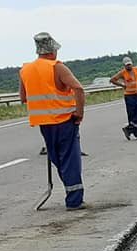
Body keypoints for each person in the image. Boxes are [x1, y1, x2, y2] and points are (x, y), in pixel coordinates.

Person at [19, 32, 86, 210]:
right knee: (70, 159)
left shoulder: (25, 70)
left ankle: (72, 193)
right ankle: (74, 200)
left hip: (44, 124)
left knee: (59, 159)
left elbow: (23, 98)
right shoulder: (57, 67)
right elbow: (78, 89)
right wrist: (79, 113)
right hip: (65, 121)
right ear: (52, 51)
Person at [110, 57, 137, 140]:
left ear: (132, 64)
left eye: (129, 64)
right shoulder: (122, 73)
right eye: (127, 65)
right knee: (132, 115)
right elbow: (112, 80)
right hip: (129, 96)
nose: (128, 66)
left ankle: (128, 129)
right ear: (124, 65)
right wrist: (122, 85)